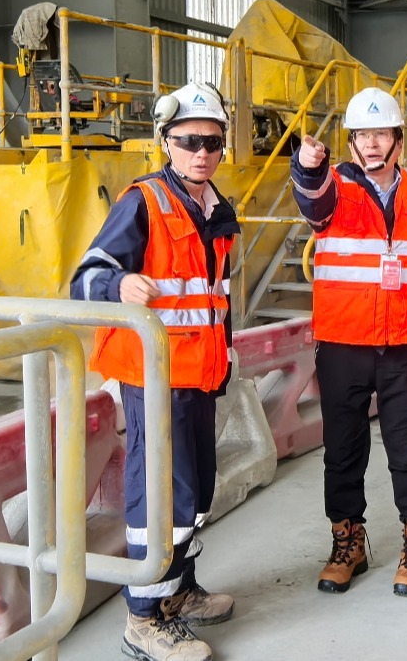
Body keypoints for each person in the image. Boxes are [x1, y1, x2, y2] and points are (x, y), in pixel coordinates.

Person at [71, 81, 240, 661]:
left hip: (200, 376)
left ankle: (178, 591)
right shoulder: (143, 202)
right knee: (163, 497)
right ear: (167, 142)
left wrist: (224, 360)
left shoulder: (216, 207)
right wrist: (118, 284)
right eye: (190, 141)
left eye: (212, 142)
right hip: (154, 377)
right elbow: (84, 278)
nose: (202, 152)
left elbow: (214, 300)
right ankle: (143, 619)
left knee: (196, 493)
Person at [291, 86, 407, 598]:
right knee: (343, 453)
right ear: (350, 143)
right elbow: (312, 200)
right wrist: (306, 167)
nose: (370, 143)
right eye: (361, 135)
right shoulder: (334, 188)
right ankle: (348, 543)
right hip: (342, 348)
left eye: (380, 134)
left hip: (405, 347)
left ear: (398, 140)